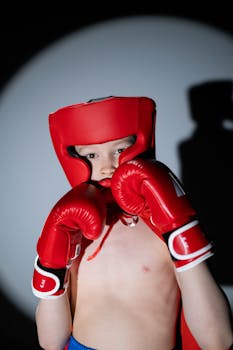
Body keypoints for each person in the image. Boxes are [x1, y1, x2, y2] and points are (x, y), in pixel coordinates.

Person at [32, 96, 233, 350]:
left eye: (119, 150)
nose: (108, 166)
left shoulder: (162, 227)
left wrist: (180, 229)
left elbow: (218, 340)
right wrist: (49, 264)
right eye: (92, 154)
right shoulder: (72, 229)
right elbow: (50, 342)